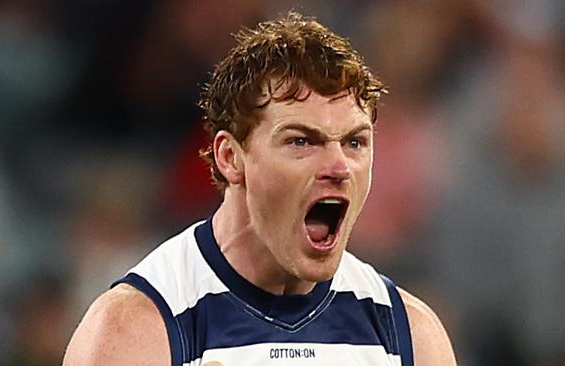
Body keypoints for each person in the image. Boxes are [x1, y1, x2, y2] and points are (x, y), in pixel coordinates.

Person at [63, 12, 456, 366]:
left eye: (355, 142)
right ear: (230, 159)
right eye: (301, 141)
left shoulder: (408, 335)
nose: (339, 167)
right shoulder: (136, 330)